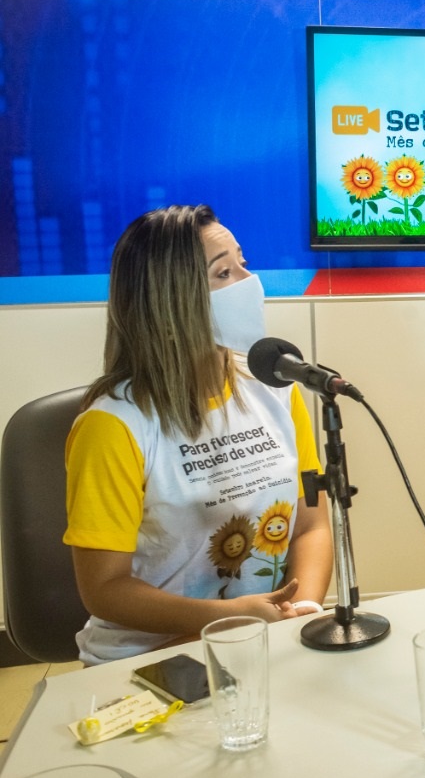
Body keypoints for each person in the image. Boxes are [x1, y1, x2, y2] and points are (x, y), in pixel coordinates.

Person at [64, 205, 333, 665]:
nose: (250, 281)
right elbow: (105, 589)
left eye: (243, 261)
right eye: (224, 272)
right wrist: (226, 620)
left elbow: (311, 525)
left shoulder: (276, 391)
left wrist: (297, 613)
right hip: (149, 659)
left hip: (265, 642)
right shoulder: (113, 426)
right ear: (171, 303)